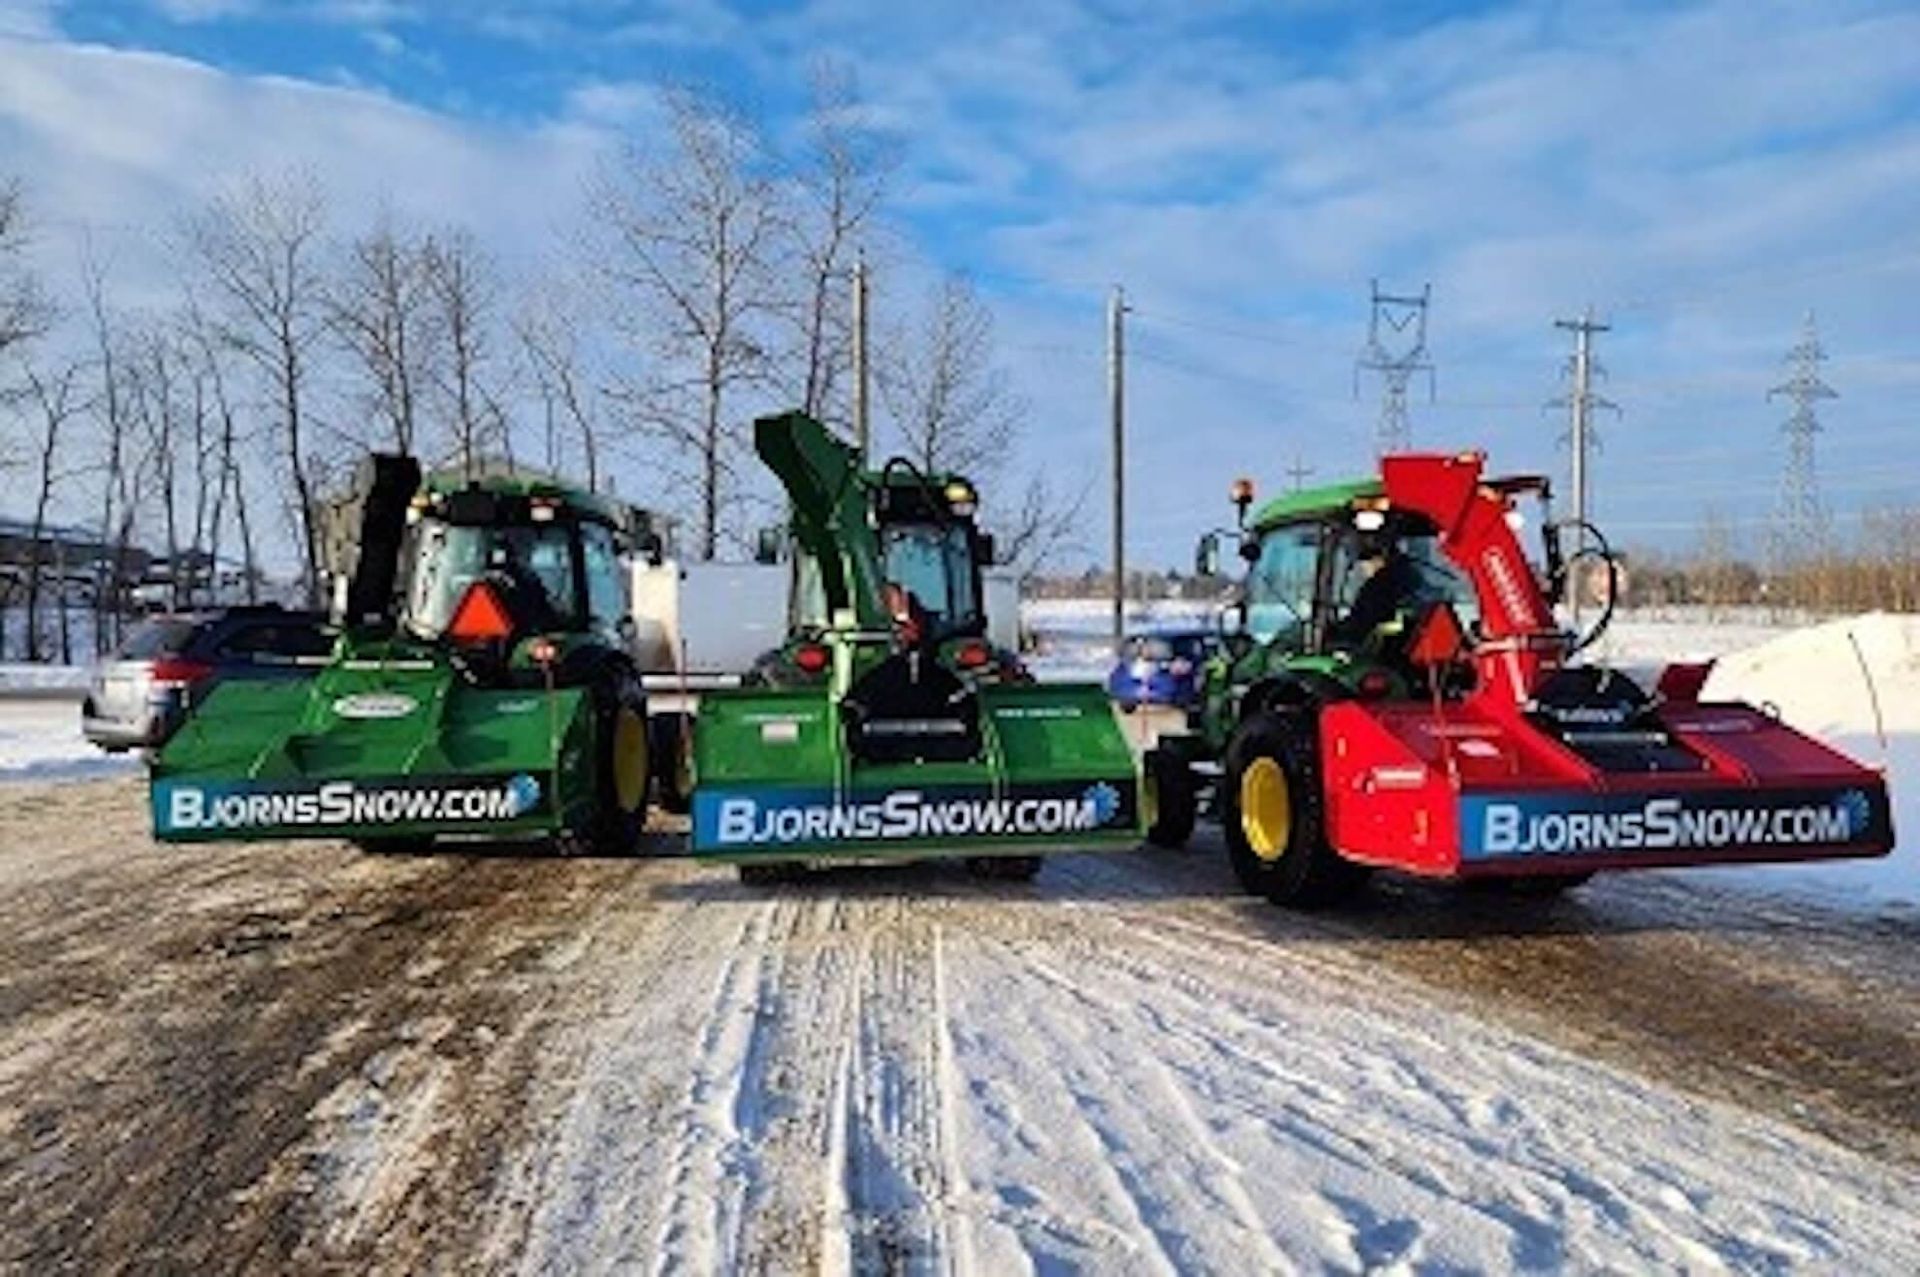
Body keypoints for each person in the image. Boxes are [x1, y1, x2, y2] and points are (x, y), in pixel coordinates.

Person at [1332, 535, 1424, 648]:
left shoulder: (1381, 585)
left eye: (1364, 564)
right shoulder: (1415, 575)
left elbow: (1365, 619)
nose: (1363, 569)